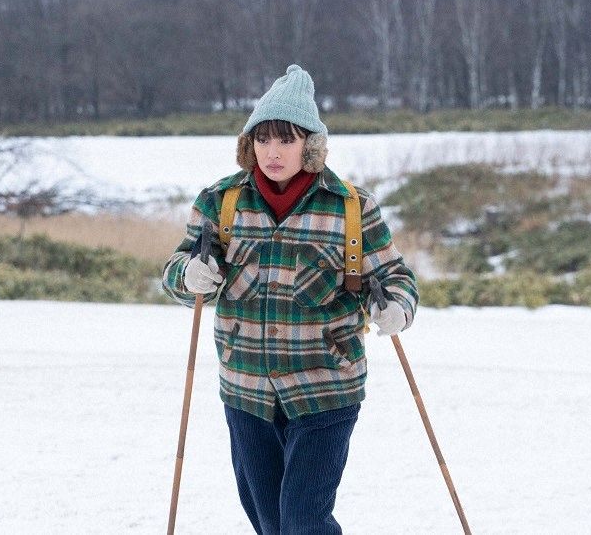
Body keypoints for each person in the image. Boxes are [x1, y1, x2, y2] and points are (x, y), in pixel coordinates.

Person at [162, 64, 419, 535]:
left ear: (311, 145)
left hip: (325, 389)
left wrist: (396, 306)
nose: (273, 152)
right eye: (263, 140)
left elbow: (394, 275)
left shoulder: (350, 208)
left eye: (286, 140)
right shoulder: (220, 202)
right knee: (269, 523)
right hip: (246, 391)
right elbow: (176, 274)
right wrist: (189, 274)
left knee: (303, 521)